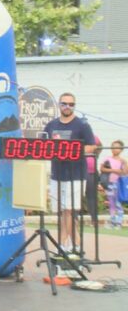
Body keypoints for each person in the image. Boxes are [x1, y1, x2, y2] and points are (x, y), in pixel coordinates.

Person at [43, 92, 96, 252]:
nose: (67, 107)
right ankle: (75, 244)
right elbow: (44, 144)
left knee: (70, 210)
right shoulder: (51, 125)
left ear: (74, 106)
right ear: (59, 105)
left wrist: (72, 151)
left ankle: (63, 243)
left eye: (71, 104)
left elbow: (92, 146)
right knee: (62, 210)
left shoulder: (82, 125)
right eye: (64, 104)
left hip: (76, 174)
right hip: (57, 173)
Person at [101, 140, 126, 229]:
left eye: (117, 147)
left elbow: (125, 172)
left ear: (121, 149)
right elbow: (102, 169)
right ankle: (112, 221)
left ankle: (119, 222)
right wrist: (114, 170)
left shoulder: (123, 161)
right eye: (113, 147)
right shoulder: (107, 159)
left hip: (118, 184)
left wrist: (124, 165)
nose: (115, 149)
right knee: (111, 203)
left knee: (118, 203)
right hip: (109, 183)